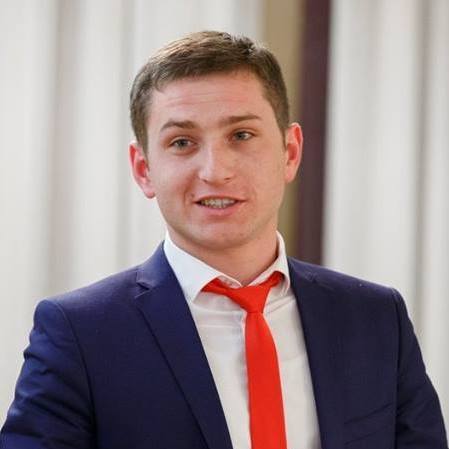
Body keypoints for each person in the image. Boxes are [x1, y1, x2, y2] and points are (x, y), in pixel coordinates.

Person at [0, 30, 446, 449]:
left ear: (290, 153)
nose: (215, 171)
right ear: (143, 169)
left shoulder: (375, 318)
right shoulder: (79, 333)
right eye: (182, 142)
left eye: (241, 135)